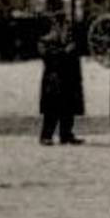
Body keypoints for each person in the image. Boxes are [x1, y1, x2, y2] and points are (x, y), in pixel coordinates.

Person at [37, 17, 84, 145]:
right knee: (52, 108)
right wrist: (65, 52)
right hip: (54, 79)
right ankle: (47, 135)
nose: (65, 30)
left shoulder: (70, 41)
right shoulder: (45, 41)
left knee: (68, 107)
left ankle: (66, 134)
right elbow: (48, 57)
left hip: (69, 78)